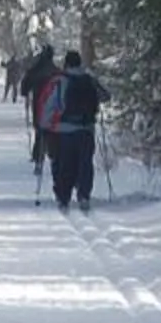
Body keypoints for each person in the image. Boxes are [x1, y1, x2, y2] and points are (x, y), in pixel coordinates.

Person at [36, 50, 108, 212]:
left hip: (64, 130)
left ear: (66, 64)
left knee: (65, 164)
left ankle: (63, 198)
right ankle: (84, 195)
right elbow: (105, 96)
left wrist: (44, 124)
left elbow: (51, 104)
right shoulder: (89, 79)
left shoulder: (60, 81)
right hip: (87, 129)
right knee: (85, 163)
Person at [18, 40, 59, 176]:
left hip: (39, 104)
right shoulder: (56, 71)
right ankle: (54, 157)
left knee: (40, 131)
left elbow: (24, 87)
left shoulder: (35, 70)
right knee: (53, 131)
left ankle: (39, 159)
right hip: (55, 106)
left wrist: (26, 92)